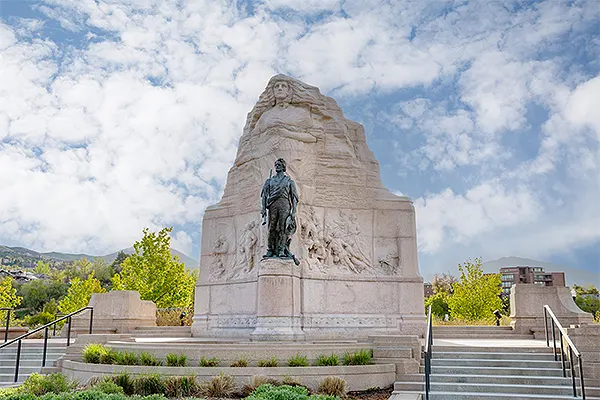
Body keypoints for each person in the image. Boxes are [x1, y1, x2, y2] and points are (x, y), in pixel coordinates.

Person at [261, 158, 299, 264]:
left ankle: (282, 250)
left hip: (285, 205)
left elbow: (294, 198)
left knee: (283, 229)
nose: (277, 166)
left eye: (279, 164)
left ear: (283, 167)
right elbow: (264, 196)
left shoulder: (289, 181)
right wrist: (263, 208)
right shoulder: (269, 181)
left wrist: (293, 212)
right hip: (273, 205)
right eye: (275, 164)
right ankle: (270, 249)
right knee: (271, 227)